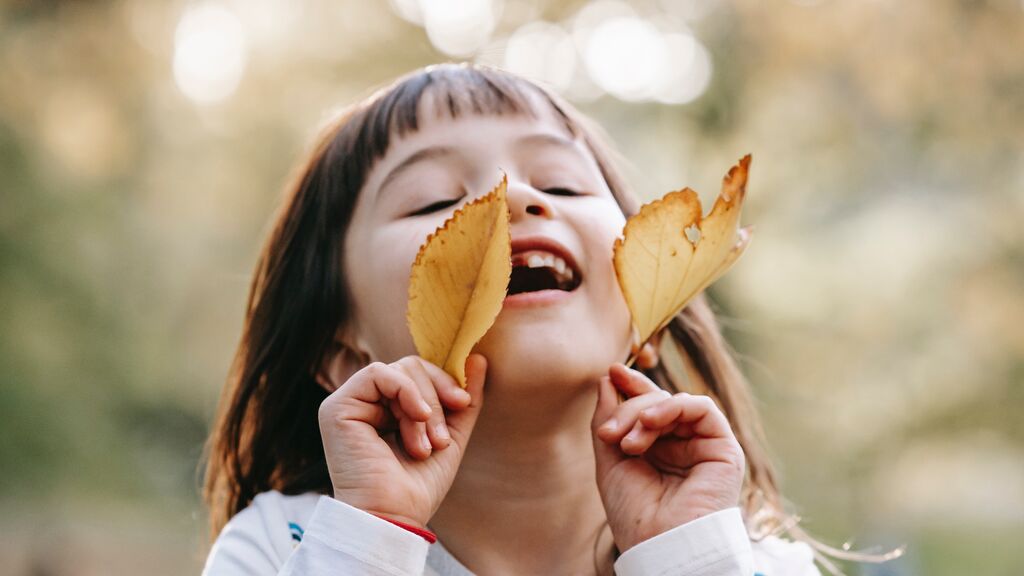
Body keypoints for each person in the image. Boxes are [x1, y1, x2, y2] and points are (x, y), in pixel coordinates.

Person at [200, 63, 824, 575]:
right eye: (436, 202)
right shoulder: (286, 548)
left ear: (648, 320)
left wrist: (686, 559)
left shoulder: (750, 564)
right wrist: (369, 540)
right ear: (346, 356)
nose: (514, 196)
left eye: (562, 183)